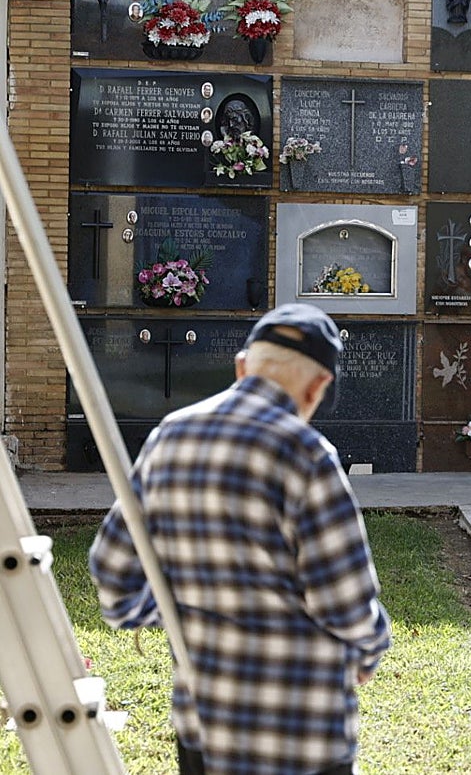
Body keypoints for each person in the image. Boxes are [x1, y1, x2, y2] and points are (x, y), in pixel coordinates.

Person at [90, 304, 392, 775]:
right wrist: (371, 648)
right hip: (303, 736)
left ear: (241, 366)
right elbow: (346, 605)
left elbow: (113, 575)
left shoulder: (169, 437)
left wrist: (184, 614)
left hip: (204, 730)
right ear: (318, 388)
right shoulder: (308, 454)